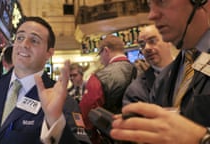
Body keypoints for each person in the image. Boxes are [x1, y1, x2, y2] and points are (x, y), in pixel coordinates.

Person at [0, 16, 88, 144]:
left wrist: (55, 123)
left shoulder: (62, 101)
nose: (24, 45)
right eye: (20, 38)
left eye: (34, 40)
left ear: (49, 53)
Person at [110, 0, 210, 143]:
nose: (151, 15)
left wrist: (202, 139)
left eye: (162, 1)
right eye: (150, 5)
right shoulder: (164, 78)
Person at [79, 35, 137, 143]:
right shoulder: (142, 70)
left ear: (106, 51)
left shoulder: (99, 77)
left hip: (113, 137)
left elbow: (87, 112)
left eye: (99, 54)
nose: (100, 59)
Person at [123, 24, 174, 105]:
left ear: (168, 41)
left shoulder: (190, 71)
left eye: (152, 41)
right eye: (142, 45)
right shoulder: (136, 91)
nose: (146, 48)